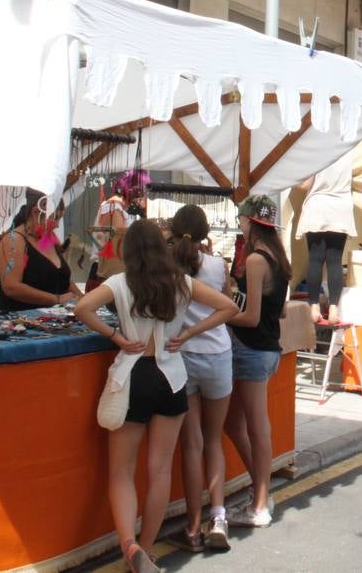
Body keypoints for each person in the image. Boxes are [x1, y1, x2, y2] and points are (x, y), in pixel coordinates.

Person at [74, 220, 237, 573]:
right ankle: (146, 550)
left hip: (133, 375)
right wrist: (190, 331)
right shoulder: (181, 283)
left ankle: (129, 546)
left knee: (121, 472)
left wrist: (115, 335)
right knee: (159, 470)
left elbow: (81, 308)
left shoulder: (119, 283)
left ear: (127, 251)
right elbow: (229, 307)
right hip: (172, 376)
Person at [170, 205, 237, 552]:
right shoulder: (216, 265)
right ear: (204, 234)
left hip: (182, 356)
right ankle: (219, 517)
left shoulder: (168, 268)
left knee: (191, 444)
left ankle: (193, 527)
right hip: (217, 354)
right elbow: (226, 300)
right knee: (214, 441)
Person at [223, 195, 292, 528]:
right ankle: (261, 489)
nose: (241, 225)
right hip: (268, 349)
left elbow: (250, 318)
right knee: (236, 424)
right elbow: (276, 310)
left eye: (242, 221)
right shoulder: (278, 259)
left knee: (254, 426)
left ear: (250, 222)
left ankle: (260, 505)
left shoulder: (254, 261)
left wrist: (222, 312)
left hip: (251, 349)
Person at [0, 188, 83, 312]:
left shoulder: (48, 239)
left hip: (49, 318)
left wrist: (84, 299)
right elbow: (11, 287)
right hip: (16, 318)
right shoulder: (14, 240)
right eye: (55, 218)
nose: (57, 224)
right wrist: (56, 299)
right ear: (36, 212)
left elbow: (62, 279)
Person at [294, 155, 356, 325]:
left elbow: (304, 184)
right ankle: (334, 309)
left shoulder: (318, 153)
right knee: (335, 262)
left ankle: (314, 308)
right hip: (341, 207)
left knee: (315, 260)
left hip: (318, 206)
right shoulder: (348, 152)